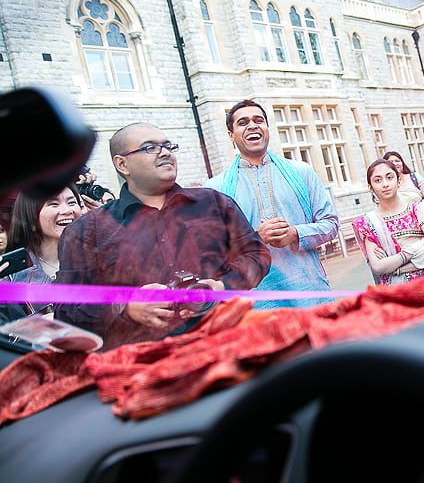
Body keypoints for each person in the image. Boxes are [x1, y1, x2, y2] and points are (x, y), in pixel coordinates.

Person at [55, 122, 271, 350]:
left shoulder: (214, 204)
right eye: (150, 148)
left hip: (229, 345)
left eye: (168, 146)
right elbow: (67, 310)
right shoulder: (87, 231)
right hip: (145, 364)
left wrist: (224, 285)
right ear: (122, 164)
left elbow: (257, 254)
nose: (165, 152)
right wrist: (126, 307)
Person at [206, 100, 340, 308]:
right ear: (231, 135)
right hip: (258, 302)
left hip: (310, 292)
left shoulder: (301, 172)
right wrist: (255, 239)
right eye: (242, 122)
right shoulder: (216, 189)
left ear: (267, 129)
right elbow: (213, 253)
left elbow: (330, 224)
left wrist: (295, 233)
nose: (252, 125)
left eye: (258, 120)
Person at [0, 186, 84, 323]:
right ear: (31, 214)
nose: (67, 210)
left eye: (72, 202)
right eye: (53, 204)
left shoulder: (101, 257)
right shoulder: (12, 277)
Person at [353, 159, 424, 285]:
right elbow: (378, 267)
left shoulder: (417, 210)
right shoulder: (369, 223)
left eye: (389, 177)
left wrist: (396, 268)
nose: (385, 184)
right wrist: (416, 250)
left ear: (399, 180)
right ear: (370, 187)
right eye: (378, 180)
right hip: (396, 292)